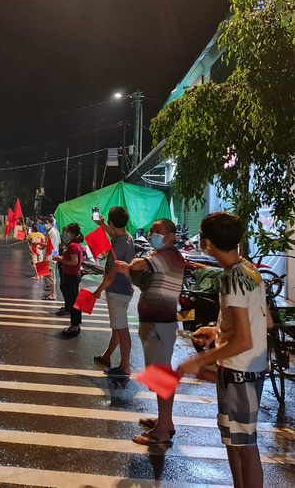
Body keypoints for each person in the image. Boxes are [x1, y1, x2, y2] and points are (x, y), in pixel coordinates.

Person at [177, 212, 271, 488]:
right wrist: (217, 331)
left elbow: (244, 340)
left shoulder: (231, 279)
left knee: (244, 446)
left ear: (206, 244)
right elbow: (264, 321)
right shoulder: (248, 270)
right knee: (235, 441)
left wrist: (199, 360)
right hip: (247, 370)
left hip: (238, 372)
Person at [115, 218, 184, 447]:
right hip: (156, 324)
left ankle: (162, 430)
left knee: (161, 376)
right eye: (152, 230)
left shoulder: (167, 255)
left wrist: (130, 266)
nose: (153, 234)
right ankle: (165, 421)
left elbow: (138, 264)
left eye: (158, 231)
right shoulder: (164, 256)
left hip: (159, 324)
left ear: (170, 236)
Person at [90, 207, 135, 378]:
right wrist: (102, 225)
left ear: (111, 222)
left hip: (116, 291)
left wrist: (97, 291)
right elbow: (114, 235)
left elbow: (110, 276)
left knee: (121, 330)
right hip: (126, 289)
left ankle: (124, 367)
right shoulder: (127, 238)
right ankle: (106, 357)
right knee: (117, 329)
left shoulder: (117, 243)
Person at [53, 223, 84, 337]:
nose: (66, 234)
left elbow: (74, 262)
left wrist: (60, 259)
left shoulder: (73, 246)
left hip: (71, 276)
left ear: (74, 234)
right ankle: (76, 324)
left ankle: (74, 326)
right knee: (75, 302)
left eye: (68, 232)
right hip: (74, 275)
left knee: (72, 302)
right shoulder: (76, 244)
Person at [42, 216, 60, 300]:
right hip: (50, 256)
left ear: (51, 223)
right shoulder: (51, 232)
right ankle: (52, 292)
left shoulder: (53, 233)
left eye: (47, 223)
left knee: (51, 276)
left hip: (51, 257)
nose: (45, 225)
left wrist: (39, 243)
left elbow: (50, 245)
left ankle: (53, 294)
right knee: (50, 275)